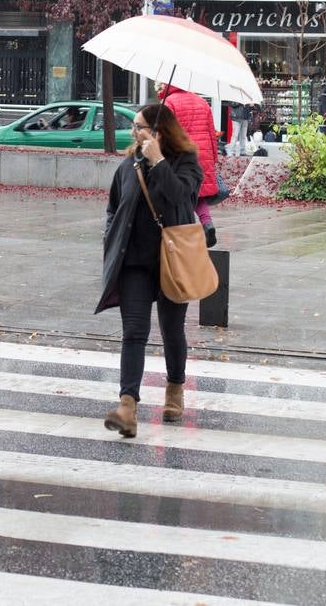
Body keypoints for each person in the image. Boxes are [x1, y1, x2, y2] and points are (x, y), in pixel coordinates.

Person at [98, 104, 204, 437]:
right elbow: (113, 207)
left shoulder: (186, 162)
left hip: (172, 261)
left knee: (172, 330)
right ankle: (127, 406)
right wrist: (110, 237)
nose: (134, 132)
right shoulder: (129, 164)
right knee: (134, 331)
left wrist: (158, 161)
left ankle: (175, 388)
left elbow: (180, 197)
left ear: (159, 131)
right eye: (134, 126)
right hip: (134, 263)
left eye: (139, 126)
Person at [156, 81, 220, 246]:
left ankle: (186, 233)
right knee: (197, 193)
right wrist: (213, 158)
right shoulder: (202, 102)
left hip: (180, 156)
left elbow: (165, 133)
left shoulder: (169, 102)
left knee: (181, 195)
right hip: (203, 154)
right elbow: (212, 134)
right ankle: (207, 223)